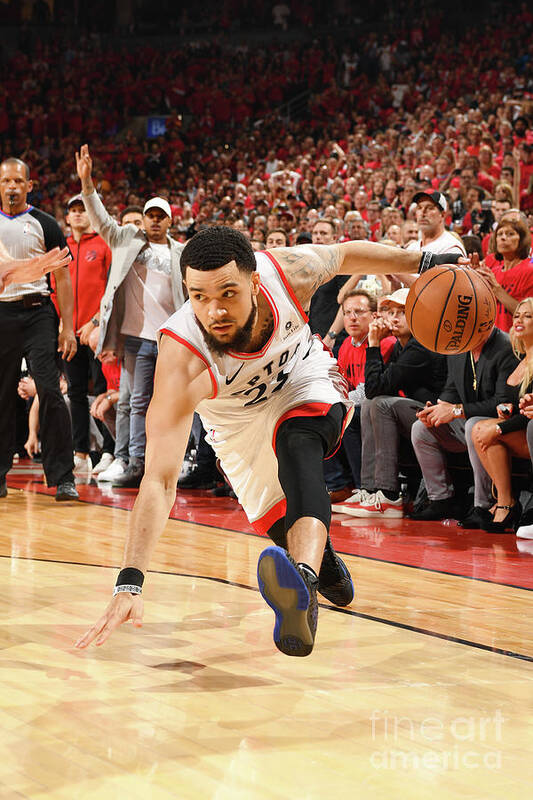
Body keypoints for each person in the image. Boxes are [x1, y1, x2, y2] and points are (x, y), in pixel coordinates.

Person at [74, 224, 462, 658]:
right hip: (237, 425)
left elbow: (346, 253)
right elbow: (160, 481)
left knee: (298, 442)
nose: (214, 310)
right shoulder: (181, 355)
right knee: (282, 524)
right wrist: (129, 581)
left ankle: (303, 587)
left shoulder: (289, 271)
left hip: (303, 379)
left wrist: (424, 262)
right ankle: (322, 569)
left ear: (254, 281)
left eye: (227, 293)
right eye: (198, 296)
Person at [76, 145, 186, 489]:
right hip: (137, 338)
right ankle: (136, 461)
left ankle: (172, 461)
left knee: (174, 404)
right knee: (136, 402)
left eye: (160, 215)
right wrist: (87, 183)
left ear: (170, 220)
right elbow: (101, 219)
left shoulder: (182, 252)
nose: (154, 219)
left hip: (172, 340)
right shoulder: (126, 238)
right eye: (150, 214)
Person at [0, 157, 78, 502]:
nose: (12, 187)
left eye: (18, 181)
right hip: (2, 314)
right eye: (5, 181)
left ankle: (63, 476)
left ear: (29, 185)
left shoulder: (46, 223)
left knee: (50, 390)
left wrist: (68, 327)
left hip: (38, 314)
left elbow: (62, 278)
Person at [335, 288, 447, 518]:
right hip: (418, 413)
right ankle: (368, 489)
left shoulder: (420, 346)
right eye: (391, 312)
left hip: (439, 416)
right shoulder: (400, 345)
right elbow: (375, 390)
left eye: (402, 312)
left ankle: (388, 494)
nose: (394, 318)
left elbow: (374, 388)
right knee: (369, 405)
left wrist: (373, 344)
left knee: (377, 404)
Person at [410, 326, 517, 523]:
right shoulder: (457, 349)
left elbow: (502, 403)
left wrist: (456, 410)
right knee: (421, 428)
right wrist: (435, 410)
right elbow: (451, 391)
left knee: (473, 425)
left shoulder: (505, 346)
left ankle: (482, 505)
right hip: (469, 422)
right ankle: (440, 499)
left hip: (503, 426)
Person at [470, 298, 533, 532]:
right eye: (516, 315)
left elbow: (530, 414)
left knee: (485, 430)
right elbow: (518, 406)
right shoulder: (519, 358)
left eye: (527, 316)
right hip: (521, 427)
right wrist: (505, 410)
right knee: (479, 428)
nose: (519, 320)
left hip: (530, 432)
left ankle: (507, 504)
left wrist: (499, 428)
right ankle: (505, 502)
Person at [62, 194, 114, 475]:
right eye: (74, 210)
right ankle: (80, 452)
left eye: (84, 210)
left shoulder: (104, 243)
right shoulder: (61, 247)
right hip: (70, 333)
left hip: (98, 331)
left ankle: (109, 451)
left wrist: (95, 321)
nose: (79, 214)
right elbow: (55, 290)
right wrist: (64, 325)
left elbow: (110, 286)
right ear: (67, 217)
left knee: (105, 390)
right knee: (76, 393)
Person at [475, 218, 533, 333]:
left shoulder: (529, 271)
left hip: (518, 343)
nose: (503, 237)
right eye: (499, 234)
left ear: (521, 240)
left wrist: (497, 290)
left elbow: (528, 316)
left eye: (510, 234)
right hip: (493, 343)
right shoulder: (493, 272)